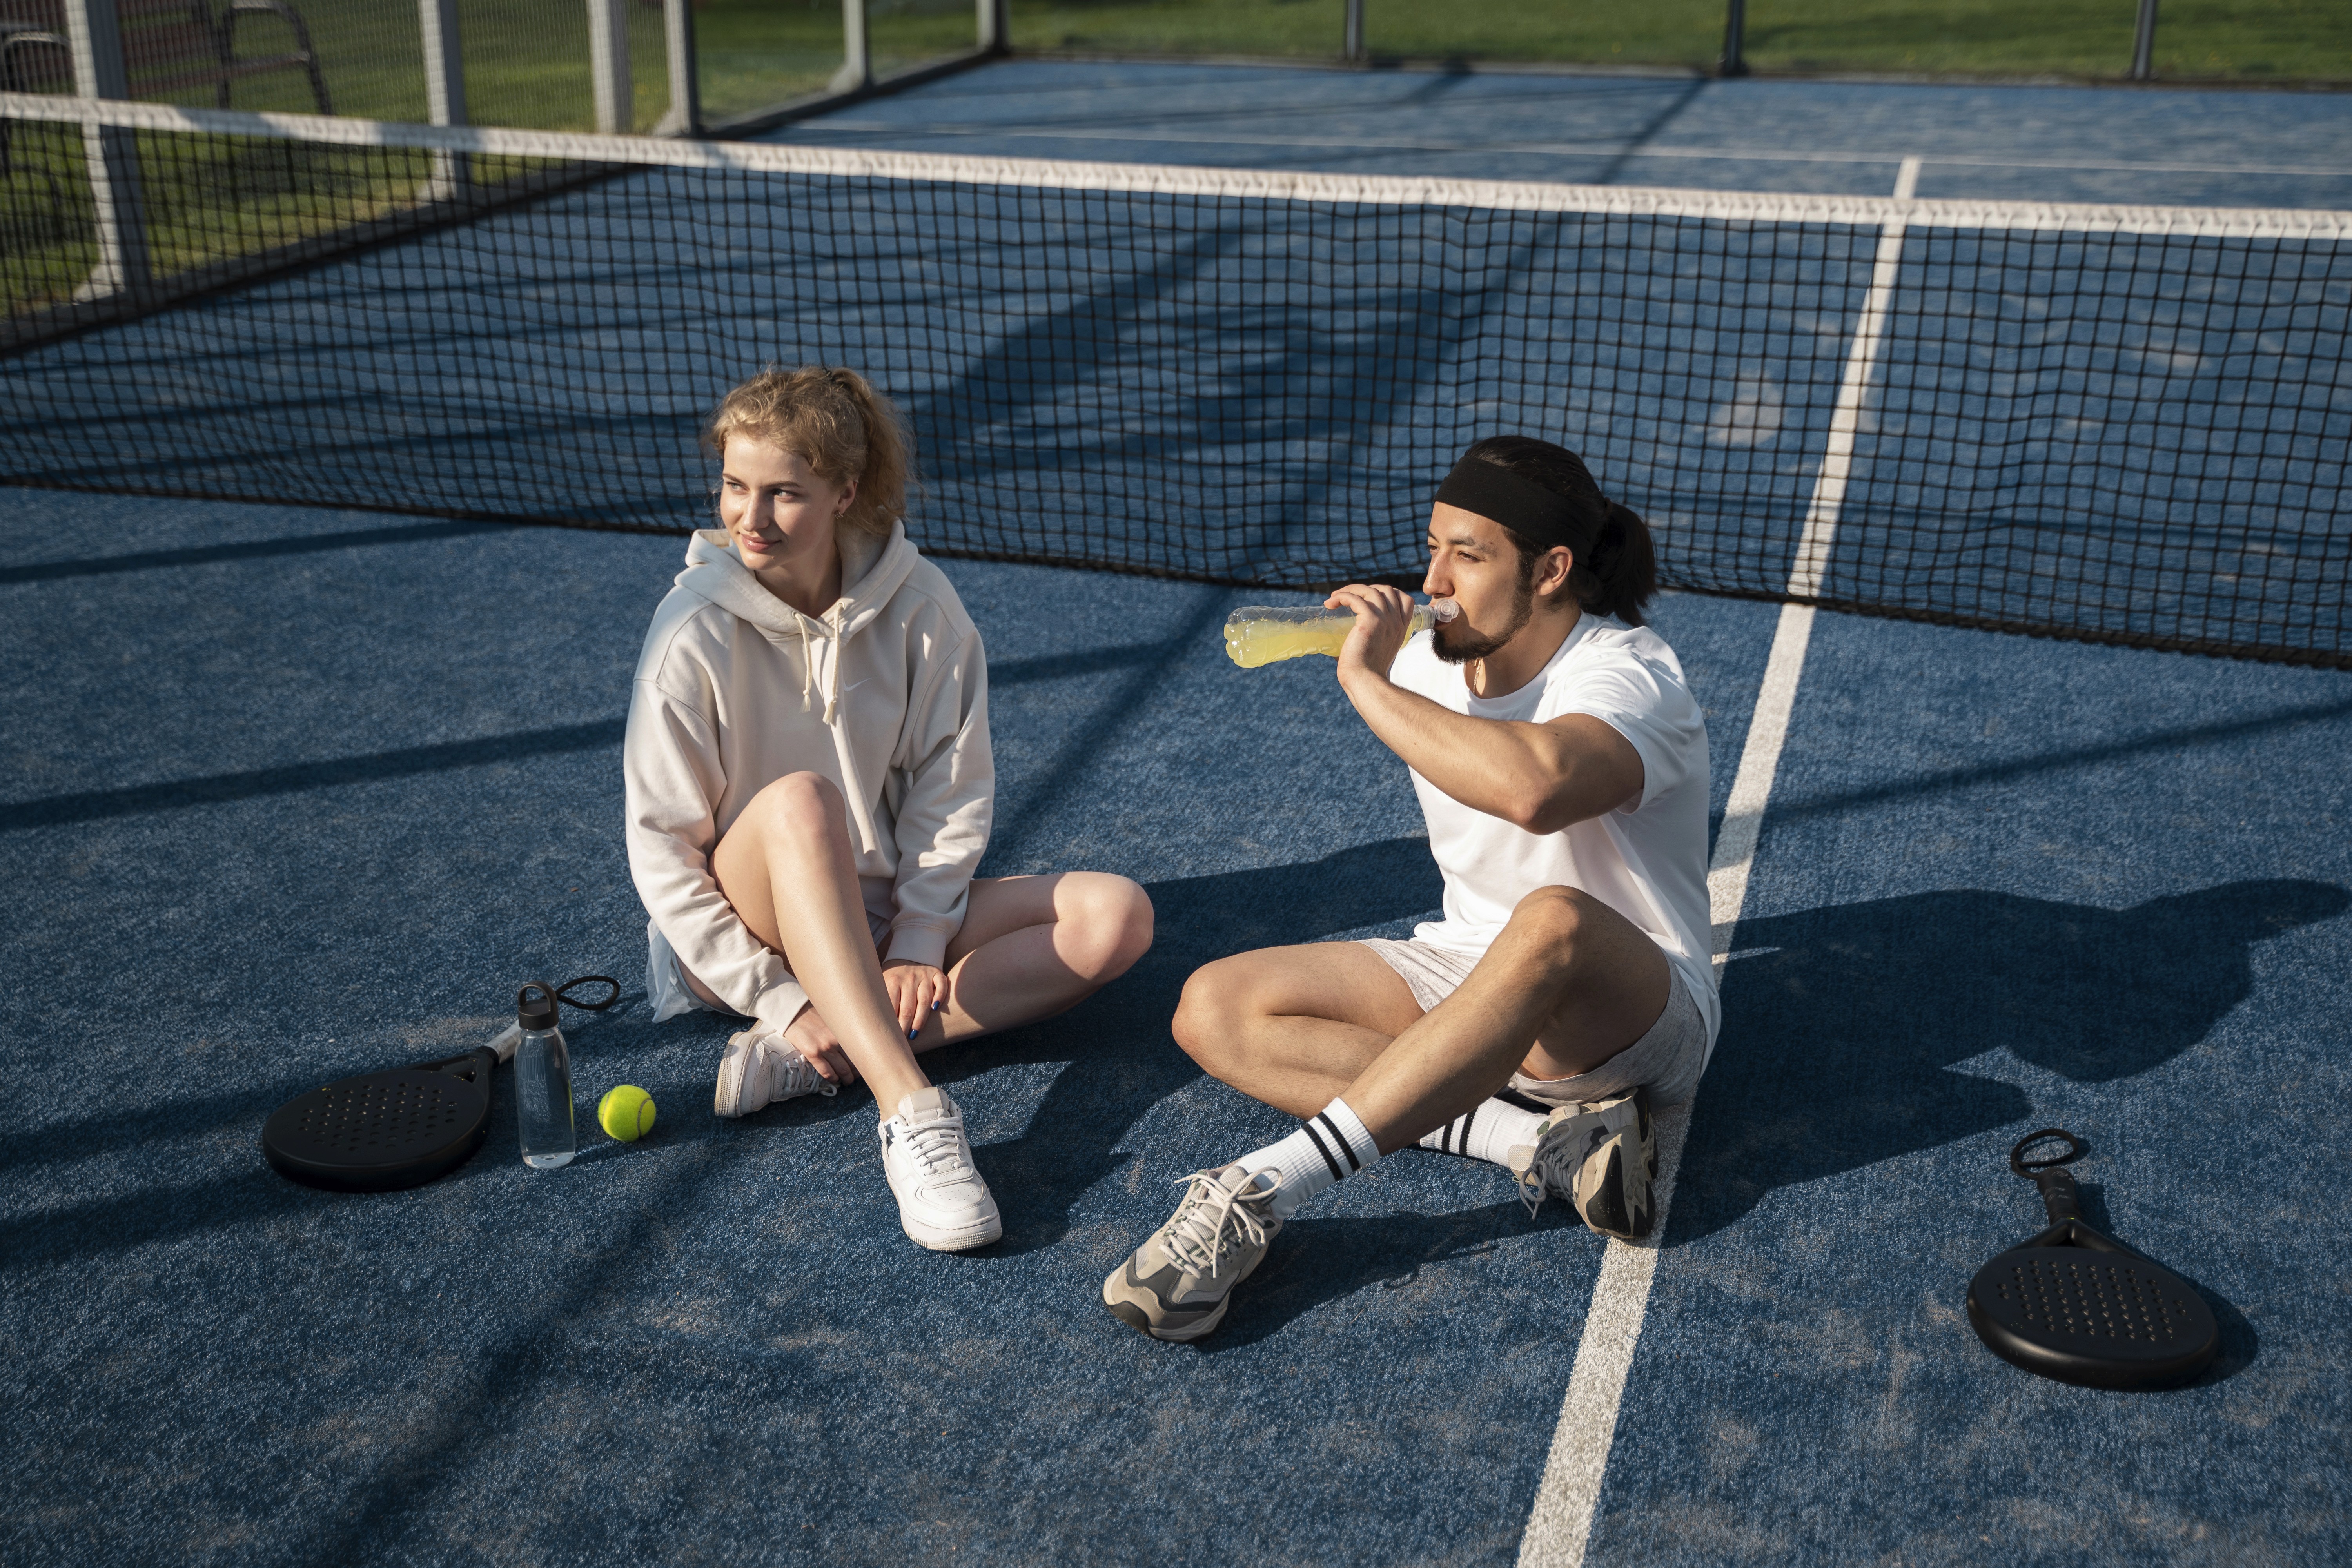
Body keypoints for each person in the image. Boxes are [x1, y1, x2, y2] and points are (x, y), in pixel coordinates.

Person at [1102, 436, 1714, 1341]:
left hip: (1624, 1013)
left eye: (1467, 555)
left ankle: (1266, 1184)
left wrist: (1360, 675)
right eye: (1432, 545)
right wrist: (1374, 658)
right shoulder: (1431, 657)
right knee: (1212, 1007)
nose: (1433, 578)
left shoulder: (1629, 673)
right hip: (1469, 972)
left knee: (1550, 920)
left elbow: (1537, 788)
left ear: (1551, 570)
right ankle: (1540, 1144)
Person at [625, 367, 1155, 1253]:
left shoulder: (923, 611)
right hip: (740, 943)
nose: (751, 518)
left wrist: (917, 933)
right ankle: (908, 1103)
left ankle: (815, 1055)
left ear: (846, 492)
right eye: (736, 486)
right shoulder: (690, 633)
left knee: (1117, 918)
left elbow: (953, 791)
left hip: (874, 917)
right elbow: (660, 849)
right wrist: (781, 996)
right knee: (801, 801)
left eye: (784, 493)